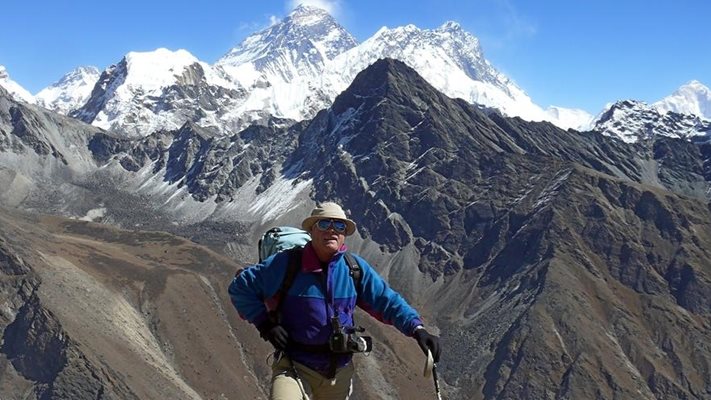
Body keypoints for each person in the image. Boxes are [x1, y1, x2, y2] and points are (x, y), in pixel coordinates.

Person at [229, 202, 441, 400]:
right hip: (294, 366)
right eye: (324, 223)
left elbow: (387, 301)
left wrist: (417, 328)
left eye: (339, 225)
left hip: (339, 374)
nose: (332, 229)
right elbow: (240, 288)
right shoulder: (285, 263)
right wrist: (265, 324)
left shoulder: (354, 269)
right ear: (311, 231)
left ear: (344, 235)